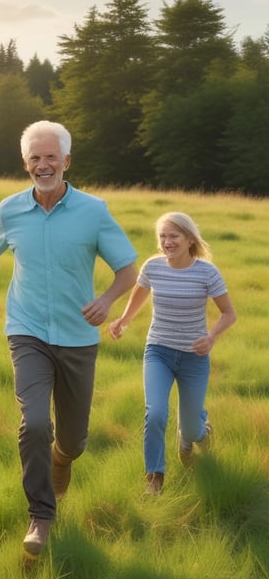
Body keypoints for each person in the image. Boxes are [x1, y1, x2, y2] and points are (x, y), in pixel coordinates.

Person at [0, 120, 138, 557]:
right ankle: (41, 516)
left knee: (73, 440)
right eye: (35, 158)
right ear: (25, 163)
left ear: (67, 161)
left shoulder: (94, 211)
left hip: (77, 336)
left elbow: (129, 268)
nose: (43, 164)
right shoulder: (10, 210)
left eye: (51, 157)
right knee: (33, 422)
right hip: (26, 331)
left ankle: (62, 458)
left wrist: (108, 300)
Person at [108, 212, 236, 496]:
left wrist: (211, 337)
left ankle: (198, 431)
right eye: (163, 236)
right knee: (155, 413)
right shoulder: (153, 267)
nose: (167, 242)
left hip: (194, 357)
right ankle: (154, 477)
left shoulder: (207, 272)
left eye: (173, 236)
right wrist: (124, 320)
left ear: (190, 239)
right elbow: (139, 295)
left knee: (191, 431)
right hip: (159, 352)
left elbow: (229, 313)